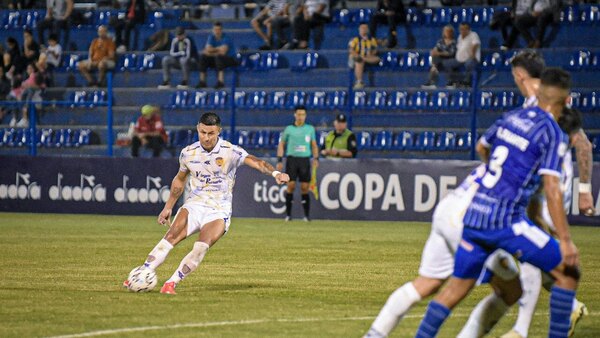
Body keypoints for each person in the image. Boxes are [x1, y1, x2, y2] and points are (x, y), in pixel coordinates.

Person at [414, 68, 580, 338]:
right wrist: (565, 239)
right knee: (568, 272)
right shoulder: (552, 131)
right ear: (564, 100)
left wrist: (502, 175)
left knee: (455, 289)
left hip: (475, 215)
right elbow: (552, 188)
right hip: (505, 221)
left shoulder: (512, 117)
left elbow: (482, 147)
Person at [463, 50, 593, 338]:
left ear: (519, 75)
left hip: (551, 187)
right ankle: (569, 305)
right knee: (536, 251)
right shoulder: (534, 103)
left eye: (513, 75)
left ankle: (521, 330)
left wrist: (584, 191)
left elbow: (582, 144)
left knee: (528, 249)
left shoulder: (548, 102)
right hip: (534, 189)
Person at [123, 112, 290, 294]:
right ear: (198, 129)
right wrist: (168, 206)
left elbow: (257, 162)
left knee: (200, 247)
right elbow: (179, 180)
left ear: (218, 131)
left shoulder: (230, 151)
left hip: (218, 210)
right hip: (194, 204)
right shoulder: (188, 153)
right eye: (203, 132)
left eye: (211, 133)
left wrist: (276, 174)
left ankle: (171, 283)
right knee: (171, 236)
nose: (206, 137)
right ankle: (143, 272)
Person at [363, 164, 522, 338]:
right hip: (469, 220)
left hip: (448, 207)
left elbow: (481, 148)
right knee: (509, 290)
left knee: (428, 282)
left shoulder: (503, 144)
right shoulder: (530, 159)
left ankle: (375, 334)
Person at [276, 105, 319, 222]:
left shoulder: (310, 129)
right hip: (292, 160)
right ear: (295, 115)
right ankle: (288, 215)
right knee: (291, 186)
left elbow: (314, 145)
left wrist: (316, 158)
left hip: (304, 160)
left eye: (303, 114)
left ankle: (306, 216)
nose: (300, 117)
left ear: (305, 116)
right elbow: (281, 144)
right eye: (299, 114)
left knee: (305, 187)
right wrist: (279, 160)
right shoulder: (289, 129)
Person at [197, 22, 238, 89]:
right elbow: (206, 50)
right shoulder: (211, 37)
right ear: (213, 30)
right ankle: (202, 81)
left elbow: (223, 52)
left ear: (221, 30)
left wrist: (211, 51)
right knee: (203, 57)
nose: (217, 31)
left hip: (230, 59)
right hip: (216, 58)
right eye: (215, 30)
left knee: (219, 57)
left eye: (218, 29)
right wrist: (218, 48)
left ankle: (220, 82)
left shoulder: (226, 38)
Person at [348, 24, 380, 90]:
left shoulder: (372, 39)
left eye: (365, 28)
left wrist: (371, 53)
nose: (364, 29)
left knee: (377, 58)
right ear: (359, 30)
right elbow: (351, 50)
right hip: (357, 58)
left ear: (368, 30)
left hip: (367, 57)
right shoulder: (355, 39)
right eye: (362, 28)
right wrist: (357, 55)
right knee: (359, 60)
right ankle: (359, 82)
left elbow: (375, 49)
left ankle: (363, 59)